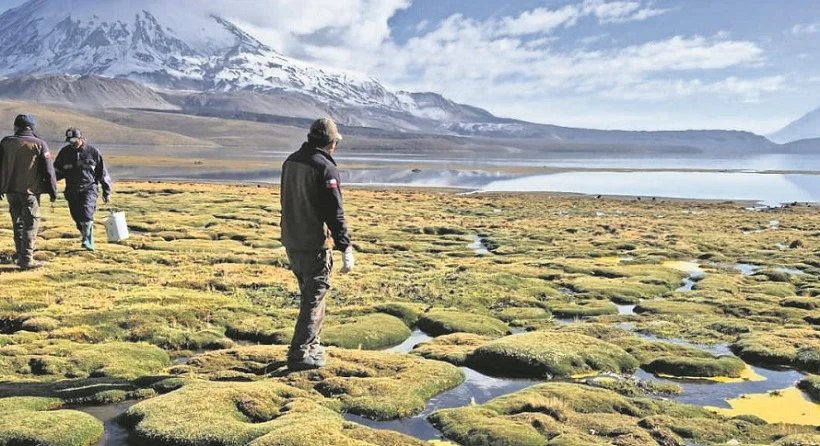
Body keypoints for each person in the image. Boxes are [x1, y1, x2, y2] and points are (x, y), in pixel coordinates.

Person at [280, 117, 355, 371]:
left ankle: (312, 345)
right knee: (314, 296)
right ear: (331, 143)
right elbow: (334, 212)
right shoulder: (325, 168)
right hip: (314, 243)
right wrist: (345, 247)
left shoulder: (291, 161)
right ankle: (299, 353)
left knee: (310, 293)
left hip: (292, 240)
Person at [0, 114, 58, 270]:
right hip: (30, 192)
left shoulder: (6, 142)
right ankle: (27, 260)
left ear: (16, 127)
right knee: (30, 224)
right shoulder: (39, 144)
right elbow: (48, 170)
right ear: (31, 128)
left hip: (11, 191)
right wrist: (53, 190)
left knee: (17, 223)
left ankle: (20, 255)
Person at [54, 128, 112, 251]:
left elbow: (102, 173)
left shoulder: (93, 152)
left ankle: (88, 241)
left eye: (74, 140)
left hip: (89, 188)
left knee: (86, 214)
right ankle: (85, 235)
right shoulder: (64, 153)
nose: (72, 143)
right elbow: (56, 172)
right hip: (71, 190)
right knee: (77, 217)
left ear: (81, 138)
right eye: (70, 140)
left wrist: (107, 191)